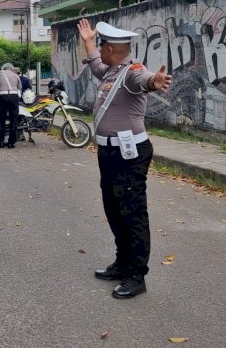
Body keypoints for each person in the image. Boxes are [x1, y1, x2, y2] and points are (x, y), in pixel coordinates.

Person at [77, 18, 172, 299]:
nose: (100, 50)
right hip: (108, 151)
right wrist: (88, 41)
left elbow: (145, 80)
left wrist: (156, 81)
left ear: (112, 49)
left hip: (129, 154)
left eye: (103, 45)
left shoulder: (133, 71)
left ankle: (136, 274)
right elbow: (94, 63)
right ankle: (122, 262)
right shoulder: (110, 71)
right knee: (114, 210)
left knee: (132, 214)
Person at [0, 63, 21, 148]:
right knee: (14, 119)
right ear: (12, 69)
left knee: (1, 119)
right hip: (14, 97)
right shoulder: (16, 75)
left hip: (3, 97)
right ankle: (11, 143)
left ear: (4, 69)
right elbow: (20, 88)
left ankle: (1, 142)